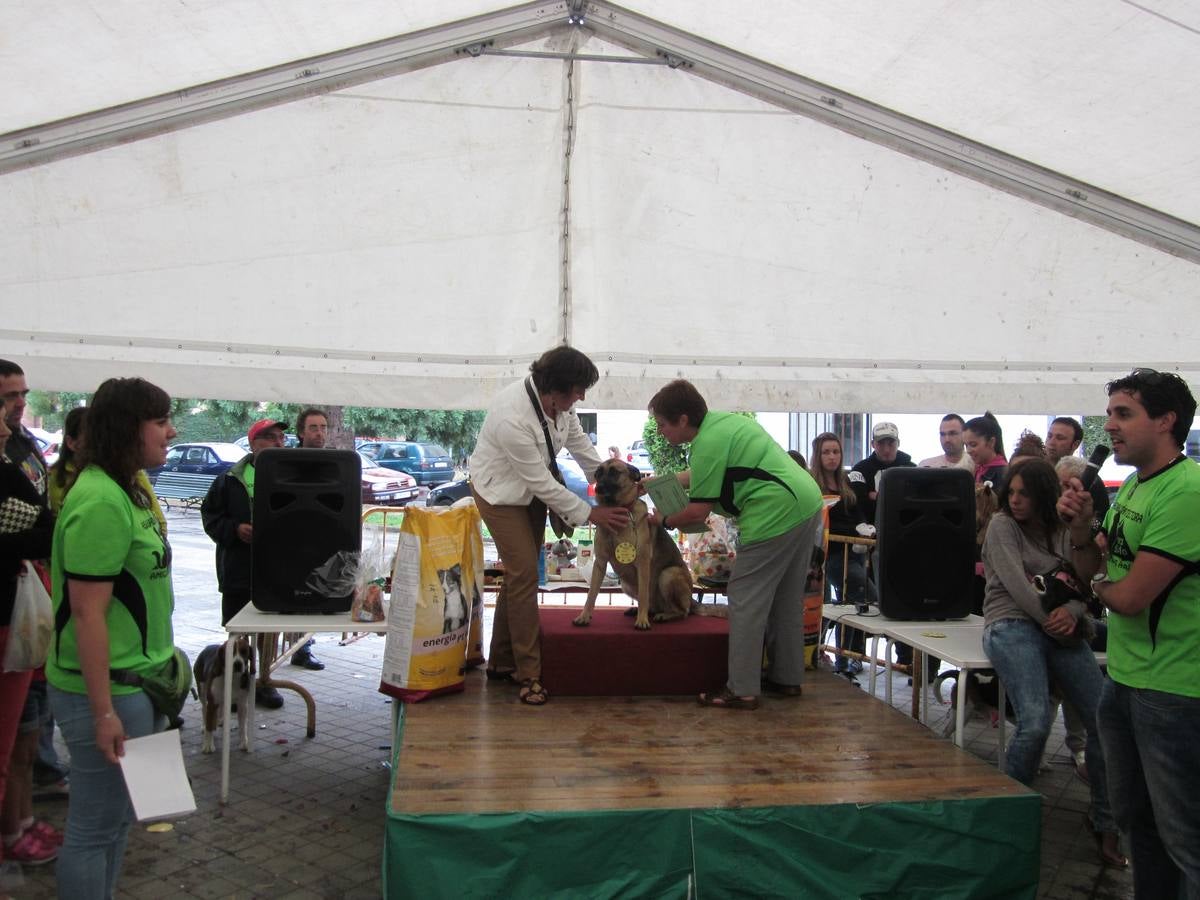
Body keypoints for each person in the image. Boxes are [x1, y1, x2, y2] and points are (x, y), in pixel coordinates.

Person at [1059, 368, 1200, 897]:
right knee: (1139, 825)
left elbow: (1130, 595)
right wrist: (1079, 528)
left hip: (1176, 691)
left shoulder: (1187, 493)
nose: (1110, 426)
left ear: (1166, 421)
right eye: (1111, 413)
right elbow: (1095, 563)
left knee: (1185, 838)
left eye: (1124, 414)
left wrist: (1097, 581)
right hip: (1126, 678)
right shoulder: (1138, 486)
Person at [45, 377, 179, 899]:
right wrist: (103, 713)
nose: (172, 431)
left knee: (120, 821)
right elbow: (87, 615)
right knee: (93, 828)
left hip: (137, 682)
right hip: (104, 691)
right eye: (160, 421)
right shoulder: (101, 499)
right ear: (128, 428)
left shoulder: (130, 487)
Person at [645, 380, 824, 709]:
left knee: (744, 597)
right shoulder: (723, 424)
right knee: (784, 600)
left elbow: (699, 510)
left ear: (683, 419)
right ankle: (787, 679)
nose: (661, 431)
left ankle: (740, 688)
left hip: (774, 513)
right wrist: (657, 483)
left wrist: (665, 521)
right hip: (807, 503)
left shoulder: (707, 442)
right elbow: (704, 472)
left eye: (663, 423)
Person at [980, 458, 1124, 867]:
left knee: (1103, 719)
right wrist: (1059, 620)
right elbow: (1017, 589)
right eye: (1012, 493)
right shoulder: (1002, 526)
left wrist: (1075, 614)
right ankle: (1006, 816)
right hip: (1012, 621)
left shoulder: (1062, 532)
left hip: (1059, 624)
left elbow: (1083, 584)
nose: (1016, 500)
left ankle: (1105, 820)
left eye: (1024, 493)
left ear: (1043, 494)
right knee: (1036, 721)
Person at [468, 347, 628, 706]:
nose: (581, 397)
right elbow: (542, 482)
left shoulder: (562, 404)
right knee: (525, 572)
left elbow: (583, 450)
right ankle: (529, 674)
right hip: (498, 493)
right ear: (553, 388)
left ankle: (502, 663)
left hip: (530, 492)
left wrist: (613, 485)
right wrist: (591, 514)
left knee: (519, 575)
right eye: (577, 390)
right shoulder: (512, 416)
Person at [0, 397, 58, 869]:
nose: (9, 415)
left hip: (20, 614)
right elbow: (42, 528)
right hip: (9, 618)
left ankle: (16, 825)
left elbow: (41, 522)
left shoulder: (20, 452)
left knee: (20, 739)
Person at [201, 419, 292, 706]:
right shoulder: (229, 479)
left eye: (281, 437)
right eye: (269, 437)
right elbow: (211, 517)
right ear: (253, 444)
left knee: (268, 633)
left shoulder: (291, 477)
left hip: (275, 569)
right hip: (238, 571)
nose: (278, 442)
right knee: (236, 631)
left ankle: (264, 682)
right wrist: (235, 530)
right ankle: (231, 686)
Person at [809, 432, 874, 677]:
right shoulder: (812, 484)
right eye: (826, 452)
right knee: (840, 603)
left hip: (853, 552)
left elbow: (857, 513)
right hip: (827, 555)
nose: (832, 457)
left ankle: (847, 658)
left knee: (853, 605)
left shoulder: (847, 482)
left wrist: (864, 529)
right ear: (818, 455)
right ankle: (817, 651)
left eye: (835, 451)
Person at [287, 408, 330, 670]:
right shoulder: (287, 462)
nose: (319, 432)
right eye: (313, 427)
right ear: (301, 432)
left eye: (323, 427)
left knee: (310, 599)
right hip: (291, 542)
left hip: (319, 542)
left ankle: (303, 647)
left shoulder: (333, 463)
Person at [1045, 415, 1109, 524]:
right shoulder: (1036, 473)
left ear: (1075, 444)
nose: (1052, 441)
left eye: (1060, 438)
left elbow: (1100, 521)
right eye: (1049, 436)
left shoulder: (1091, 480)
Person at [848, 421, 914, 523]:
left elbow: (913, 503)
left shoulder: (912, 469)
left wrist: (876, 496)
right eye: (880, 443)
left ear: (898, 443)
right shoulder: (859, 469)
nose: (886, 449)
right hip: (870, 530)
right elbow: (859, 504)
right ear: (872, 444)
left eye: (891, 443)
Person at [964, 412, 1008, 486]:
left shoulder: (1004, 473)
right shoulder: (978, 470)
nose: (968, 451)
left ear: (991, 442)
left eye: (973, 445)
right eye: (966, 445)